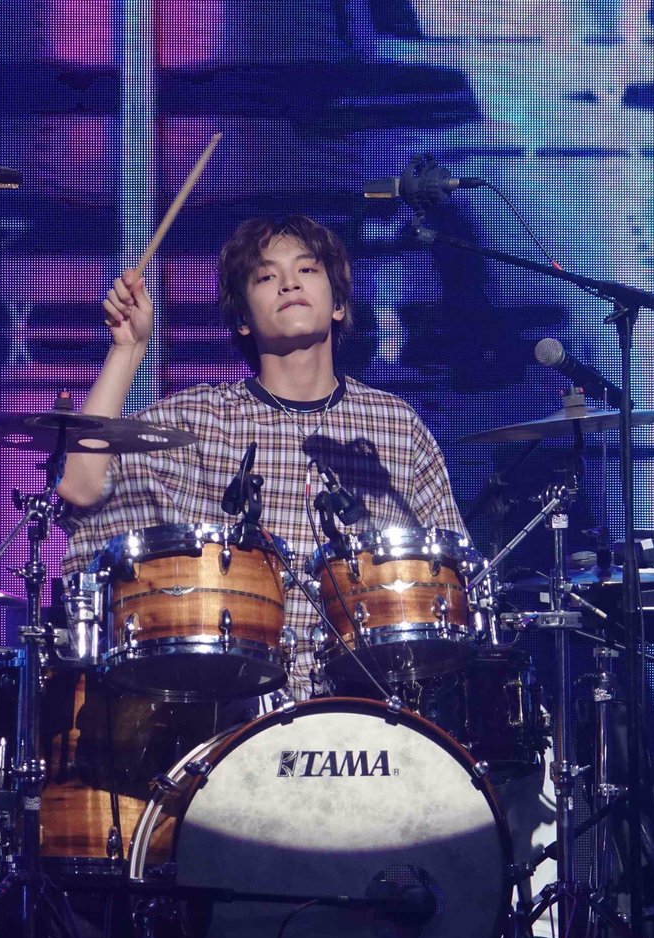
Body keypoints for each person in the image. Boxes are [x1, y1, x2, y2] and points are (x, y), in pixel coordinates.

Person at [58, 215, 469, 698]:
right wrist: (127, 350)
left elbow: (455, 575)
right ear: (242, 319)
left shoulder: (394, 424)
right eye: (266, 276)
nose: (289, 283)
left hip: (369, 704)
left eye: (307, 270)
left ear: (339, 304)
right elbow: (80, 486)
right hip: (231, 709)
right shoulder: (200, 419)